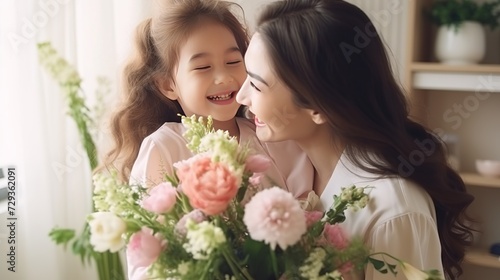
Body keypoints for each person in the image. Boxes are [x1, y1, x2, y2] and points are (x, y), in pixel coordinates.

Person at [236, 0, 475, 279]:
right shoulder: (284, 169)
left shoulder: (392, 210)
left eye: (255, 84)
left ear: (317, 106)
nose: (242, 97)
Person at [100, 0, 313, 279]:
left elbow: (308, 218)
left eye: (233, 61)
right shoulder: (164, 148)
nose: (223, 76)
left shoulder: (273, 137)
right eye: (203, 67)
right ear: (168, 84)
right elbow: (147, 260)